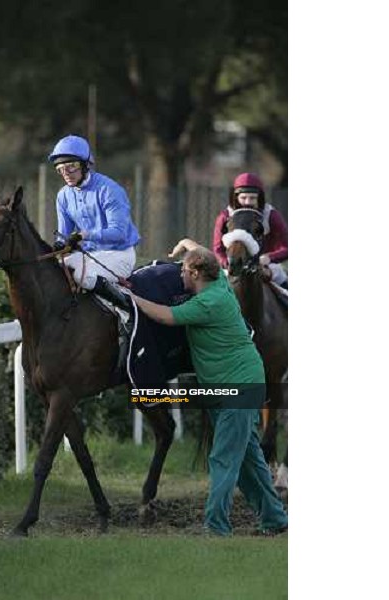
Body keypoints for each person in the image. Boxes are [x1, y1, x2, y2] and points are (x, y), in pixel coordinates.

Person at [131, 239, 288, 537]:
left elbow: (164, 315)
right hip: (231, 385)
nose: (178, 275)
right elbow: (202, 252)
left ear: (195, 274)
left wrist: (131, 296)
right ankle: (276, 519)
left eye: (183, 272)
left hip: (238, 386)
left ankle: (216, 527)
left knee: (223, 458)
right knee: (249, 461)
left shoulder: (207, 303)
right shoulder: (219, 283)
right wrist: (184, 245)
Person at [48, 135, 140, 309]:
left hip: (120, 255)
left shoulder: (110, 190)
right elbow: (63, 235)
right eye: (60, 169)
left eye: (71, 167)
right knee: (52, 271)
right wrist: (59, 245)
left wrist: (85, 235)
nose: (66, 173)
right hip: (90, 255)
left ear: (85, 165)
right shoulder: (63, 196)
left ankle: (125, 310)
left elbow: (119, 234)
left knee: (83, 276)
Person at [212, 172, 288, 288]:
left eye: (252, 198)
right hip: (233, 265)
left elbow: (287, 247)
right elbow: (217, 248)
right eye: (243, 198)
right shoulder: (225, 216)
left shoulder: (271, 215)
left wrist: (269, 258)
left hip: (267, 266)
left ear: (260, 198)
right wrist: (226, 262)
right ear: (236, 198)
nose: (247, 202)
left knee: (282, 281)